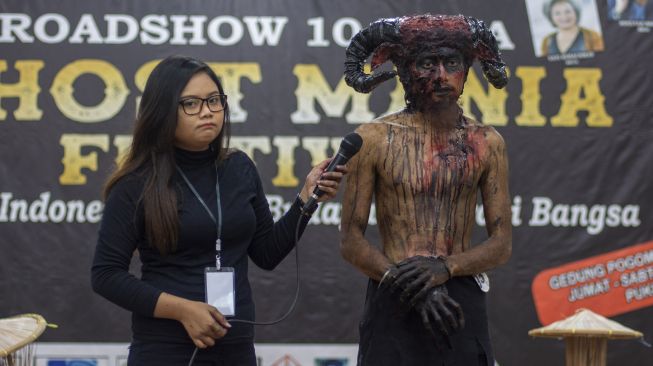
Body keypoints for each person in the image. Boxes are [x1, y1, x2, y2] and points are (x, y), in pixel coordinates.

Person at [91, 55, 346, 365]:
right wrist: (184, 310)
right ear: (162, 111)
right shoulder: (136, 182)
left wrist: (307, 199)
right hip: (165, 349)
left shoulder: (239, 167)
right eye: (191, 104)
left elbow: (266, 253)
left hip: (235, 348)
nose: (208, 112)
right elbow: (105, 275)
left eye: (214, 100)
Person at [340, 15, 512, 365]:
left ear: (466, 69)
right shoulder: (372, 139)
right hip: (391, 292)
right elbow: (351, 241)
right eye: (426, 63)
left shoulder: (487, 143)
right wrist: (411, 286)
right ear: (403, 70)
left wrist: (446, 268)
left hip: (459, 297)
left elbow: (501, 244)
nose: (441, 76)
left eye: (452, 63)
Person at [540, 0, 604, 56]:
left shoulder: (592, 36)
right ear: (551, 17)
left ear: (576, 12)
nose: (564, 16)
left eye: (568, 11)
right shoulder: (546, 41)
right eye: (557, 13)